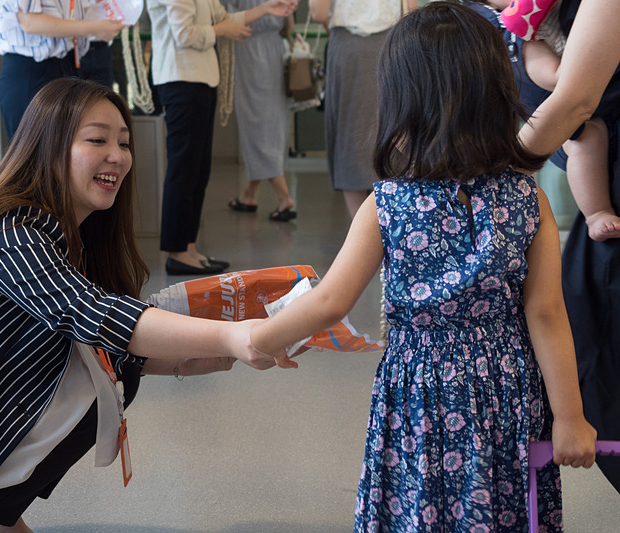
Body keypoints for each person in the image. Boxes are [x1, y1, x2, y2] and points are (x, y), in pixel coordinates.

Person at [0, 79, 284, 533]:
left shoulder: (63, 231)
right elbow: (89, 314)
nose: (118, 156)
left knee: (108, 366)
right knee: (100, 382)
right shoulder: (11, 229)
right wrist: (234, 335)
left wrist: (195, 359)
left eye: (124, 142)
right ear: (48, 145)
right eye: (97, 139)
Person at [250, 3, 597, 530]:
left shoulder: (386, 204)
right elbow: (547, 313)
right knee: (499, 507)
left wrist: (260, 339)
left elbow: (329, 301)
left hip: (418, 389)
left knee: (418, 504)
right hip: (505, 392)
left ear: (401, 101)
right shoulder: (529, 200)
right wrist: (570, 418)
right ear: (497, 93)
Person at [514, 0, 620, 494]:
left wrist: (498, 172)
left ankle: (597, 209)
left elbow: (574, 93)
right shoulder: (525, 26)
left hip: (585, 115)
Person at [147, 0, 298, 275]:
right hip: (181, 80)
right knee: (183, 171)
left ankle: (189, 246)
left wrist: (265, 9)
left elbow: (226, 17)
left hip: (201, 80)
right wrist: (222, 30)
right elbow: (185, 34)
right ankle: (177, 251)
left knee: (198, 171)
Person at [470, 0, 620, 241]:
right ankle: (597, 213)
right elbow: (559, 80)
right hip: (560, 116)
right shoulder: (517, 33)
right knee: (588, 139)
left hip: (577, 110)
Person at [308, 0, 413, 219]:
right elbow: (409, 10)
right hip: (393, 41)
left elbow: (318, 13)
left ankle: (362, 235)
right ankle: (394, 225)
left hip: (350, 47)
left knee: (350, 139)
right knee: (395, 128)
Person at [0, 0, 125, 138]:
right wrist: (94, 29)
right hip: (31, 70)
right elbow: (29, 22)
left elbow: (75, 13)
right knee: (34, 152)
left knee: (66, 151)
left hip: (67, 64)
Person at [223, 0, 296, 222]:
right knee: (272, 122)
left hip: (249, 51)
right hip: (274, 50)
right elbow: (288, 25)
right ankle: (249, 194)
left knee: (256, 123)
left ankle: (284, 198)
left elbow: (227, 18)